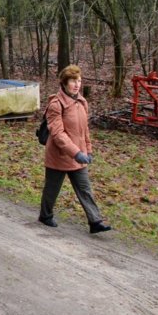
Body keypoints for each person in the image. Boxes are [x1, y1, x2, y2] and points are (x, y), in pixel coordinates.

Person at [38, 65, 112, 234]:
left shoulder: (81, 101)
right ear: (64, 83)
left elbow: (84, 129)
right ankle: (45, 215)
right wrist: (76, 153)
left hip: (79, 155)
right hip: (59, 155)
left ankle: (95, 221)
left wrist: (88, 150)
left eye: (79, 81)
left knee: (85, 188)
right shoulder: (56, 104)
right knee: (52, 189)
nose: (77, 84)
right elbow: (57, 134)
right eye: (73, 81)